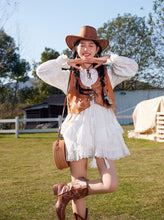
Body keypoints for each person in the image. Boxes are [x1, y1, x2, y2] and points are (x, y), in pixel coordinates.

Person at [36, 25, 138, 220]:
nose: (86, 49)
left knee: (110, 184)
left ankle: (65, 190)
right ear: (75, 49)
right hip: (77, 132)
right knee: (79, 182)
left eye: (91, 45)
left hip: (104, 133)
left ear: (97, 49)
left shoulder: (109, 74)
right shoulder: (66, 74)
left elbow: (132, 67)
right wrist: (65, 61)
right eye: (81, 45)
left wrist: (108, 59)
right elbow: (42, 70)